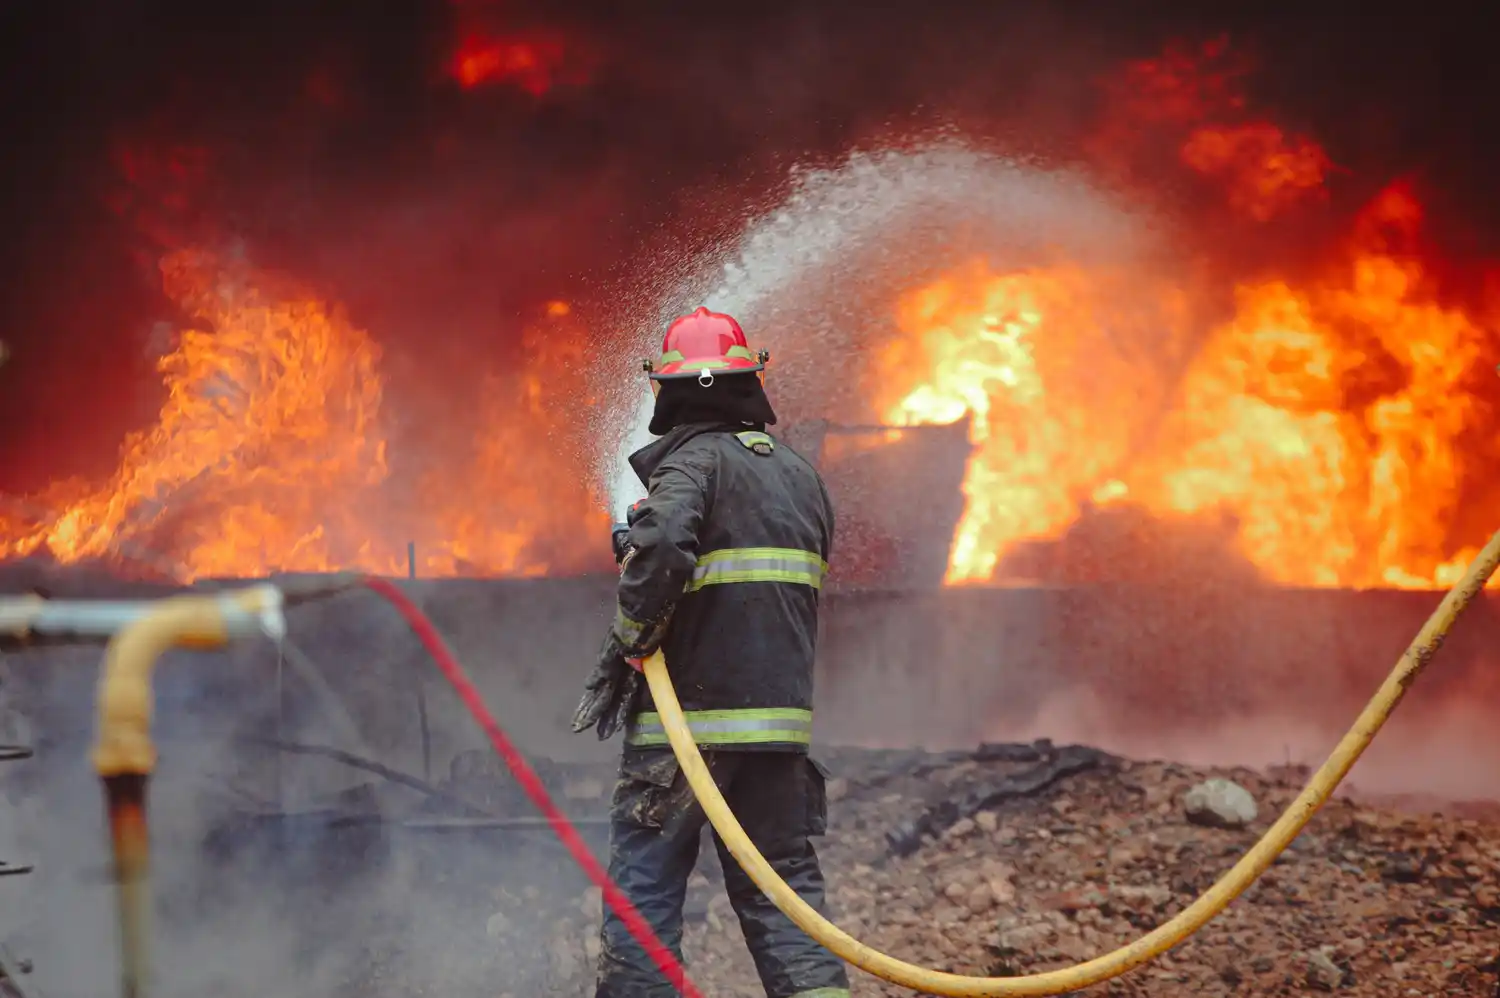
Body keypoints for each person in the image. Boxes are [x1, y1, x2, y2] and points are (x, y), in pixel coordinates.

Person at [572, 307, 850, 998]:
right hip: (777, 741)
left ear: (669, 392)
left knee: (644, 895)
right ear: (748, 381)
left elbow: (664, 546)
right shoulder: (800, 478)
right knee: (785, 901)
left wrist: (630, 640)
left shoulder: (691, 463)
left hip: (684, 735)